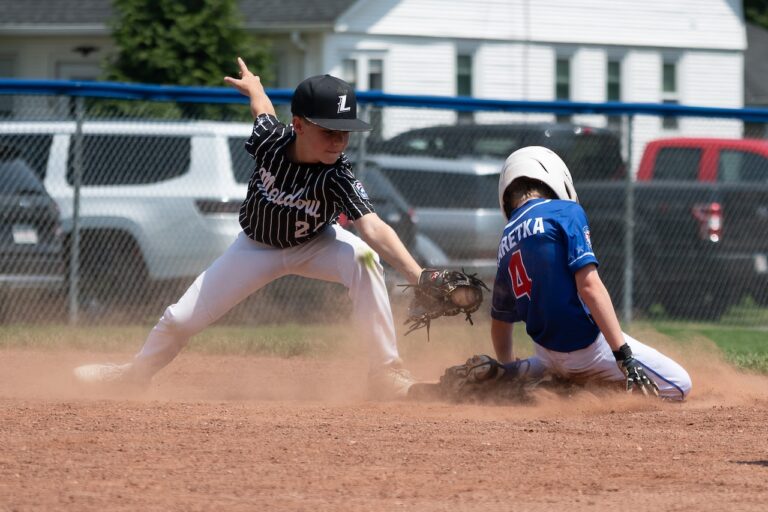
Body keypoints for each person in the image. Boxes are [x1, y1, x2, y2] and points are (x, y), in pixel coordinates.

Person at [74, 57, 425, 399]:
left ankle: (385, 370)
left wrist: (418, 276)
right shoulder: (269, 141)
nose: (338, 141)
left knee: (364, 259)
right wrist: (255, 87)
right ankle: (134, 375)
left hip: (317, 244)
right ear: (299, 125)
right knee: (180, 320)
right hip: (255, 248)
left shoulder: (338, 175)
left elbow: (373, 228)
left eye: (345, 132)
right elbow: (262, 110)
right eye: (329, 131)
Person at [488, 146, 691, 400]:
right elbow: (589, 286)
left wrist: (507, 369)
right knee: (680, 385)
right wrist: (624, 357)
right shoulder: (564, 212)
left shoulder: (506, 238)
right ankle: (579, 384)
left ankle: (524, 371)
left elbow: (499, 322)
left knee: (550, 363)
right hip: (587, 349)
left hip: (546, 353)